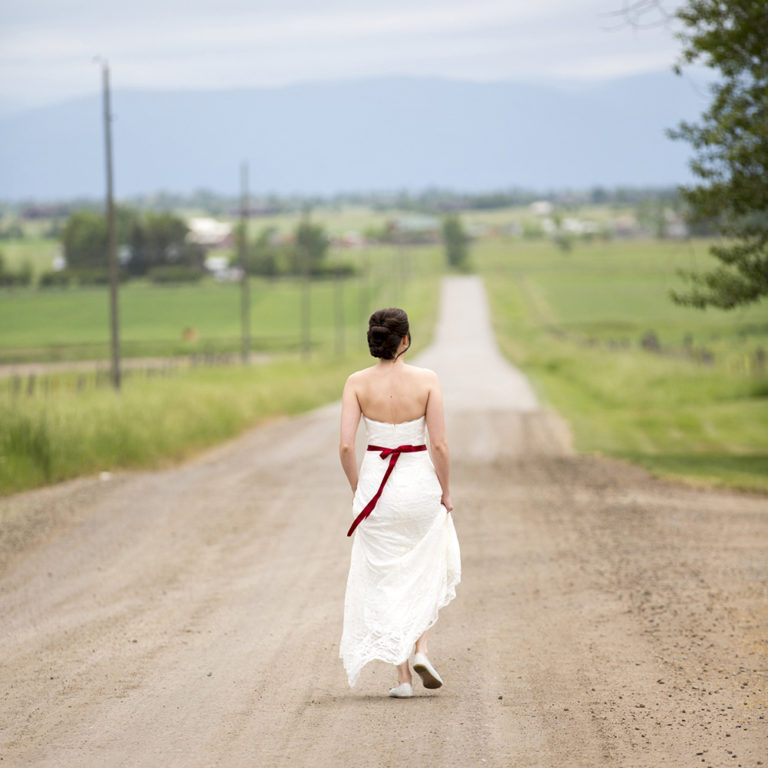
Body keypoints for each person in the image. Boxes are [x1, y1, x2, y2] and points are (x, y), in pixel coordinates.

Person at [338, 307, 461, 698]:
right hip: (418, 483)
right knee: (424, 567)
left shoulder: (356, 383)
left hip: (377, 487)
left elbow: (344, 445)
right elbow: (439, 444)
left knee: (388, 578)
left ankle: (403, 679)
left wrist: (361, 490)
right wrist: (445, 491)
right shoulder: (427, 380)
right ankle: (423, 648)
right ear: (404, 340)